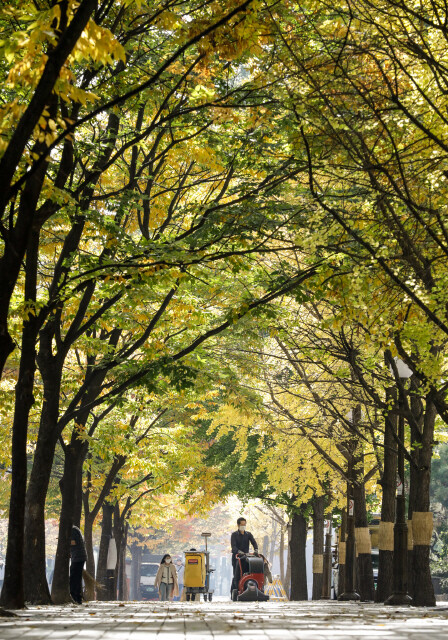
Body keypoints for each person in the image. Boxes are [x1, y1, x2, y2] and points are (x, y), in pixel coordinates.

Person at [230, 517, 259, 593]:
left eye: (244, 524)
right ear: (238, 525)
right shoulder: (234, 535)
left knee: (246, 574)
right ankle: (235, 590)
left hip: (246, 558)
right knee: (237, 574)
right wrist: (239, 552)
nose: (243, 526)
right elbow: (233, 547)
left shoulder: (248, 534)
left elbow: (254, 542)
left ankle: (247, 588)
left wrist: (256, 549)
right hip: (237, 558)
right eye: (242, 524)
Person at [70, 525, 87, 604]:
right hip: (79, 556)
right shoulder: (76, 529)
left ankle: (74, 596)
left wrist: (63, 541)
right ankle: (78, 597)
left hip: (78, 557)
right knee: (77, 577)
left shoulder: (72, 530)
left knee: (74, 577)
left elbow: (74, 542)